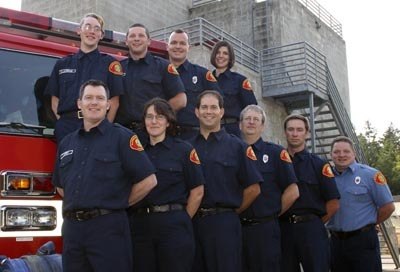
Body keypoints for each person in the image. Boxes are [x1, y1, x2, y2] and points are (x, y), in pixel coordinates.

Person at [52, 79, 157, 272]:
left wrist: (119, 203)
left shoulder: (123, 138)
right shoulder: (67, 143)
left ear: (108, 105)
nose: (94, 103)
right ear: (79, 103)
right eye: (89, 98)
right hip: (73, 230)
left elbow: (149, 180)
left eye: (100, 98)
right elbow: (60, 185)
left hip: (108, 228)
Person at [128, 98, 205, 272]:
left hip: (174, 225)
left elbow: (198, 191)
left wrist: (183, 219)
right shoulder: (135, 152)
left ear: (168, 121)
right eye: (149, 117)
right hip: (141, 225)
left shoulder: (184, 150)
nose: (154, 121)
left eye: (160, 117)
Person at [190, 90, 263, 272]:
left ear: (222, 112)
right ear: (196, 112)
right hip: (192, 222)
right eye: (204, 107)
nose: (209, 111)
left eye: (214, 107)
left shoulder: (238, 146)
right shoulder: (186, 146)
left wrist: (230, 212)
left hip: (224, 224)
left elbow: (254, 188)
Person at [239, 105, 299, 272]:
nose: (251, 122)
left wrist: (272, 213)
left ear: (263, 126)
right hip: (235, 227)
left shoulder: (276, 153)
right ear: (240, 124)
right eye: (247, 119)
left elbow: (293, 191)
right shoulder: (232, 151)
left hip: (264, 229)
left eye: (256, 119)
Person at [45, 13, 123, 142]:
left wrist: (105, 128)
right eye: (87, 27)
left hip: (97, 125)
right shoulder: (62, 64)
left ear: (101, 35)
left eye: (96, 29)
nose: (91, 31)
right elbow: (54, 101)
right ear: (79, 31)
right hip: (66, 128)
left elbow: (114, 103)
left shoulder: (110, 64)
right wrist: (63, 122)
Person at [280, 114, 340, 272]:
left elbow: (333, 203)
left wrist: (315, 222)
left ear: (307, 133)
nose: (295, 133)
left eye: (299, 130)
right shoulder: (276, 162)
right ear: (285, 132)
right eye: (291, 129)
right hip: (283, 229)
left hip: (311, 229)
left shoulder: (319, 164)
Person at [327, 136, 395, 272]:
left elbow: (388, 207)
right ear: (331, 155)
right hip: (335, 242)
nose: (341, 155)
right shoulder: (326, 177)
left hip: (363, 241)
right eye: (337, 152)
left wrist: (369, 223)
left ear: (354, 153)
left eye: (346, 151)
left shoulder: (370, 175)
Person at [115, 23, 186, 141]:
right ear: (126, 41)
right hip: (122, 133)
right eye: (132, 36)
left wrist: (158, 118)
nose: (136, 39)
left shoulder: (163, 66)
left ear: (149, 41)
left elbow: (180, 100)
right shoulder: (118, 68)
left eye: (141, 36)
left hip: (151, 134)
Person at [167, 29, 221, 139]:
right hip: (164, 135)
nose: (178, 46)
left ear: (189, 47)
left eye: (182, 43)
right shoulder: (158, 73)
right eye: (174, 43)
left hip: (194, 136)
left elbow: (218, 103)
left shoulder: (202, 74)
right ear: (167, 47)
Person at [210, 40, 257, 136]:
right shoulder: (206, 79)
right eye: (218, 53)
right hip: (210, 130)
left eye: (225, 53)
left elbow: (251, 108)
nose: (221, 56)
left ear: (230, 58)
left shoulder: (240, 80)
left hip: (232, 130)